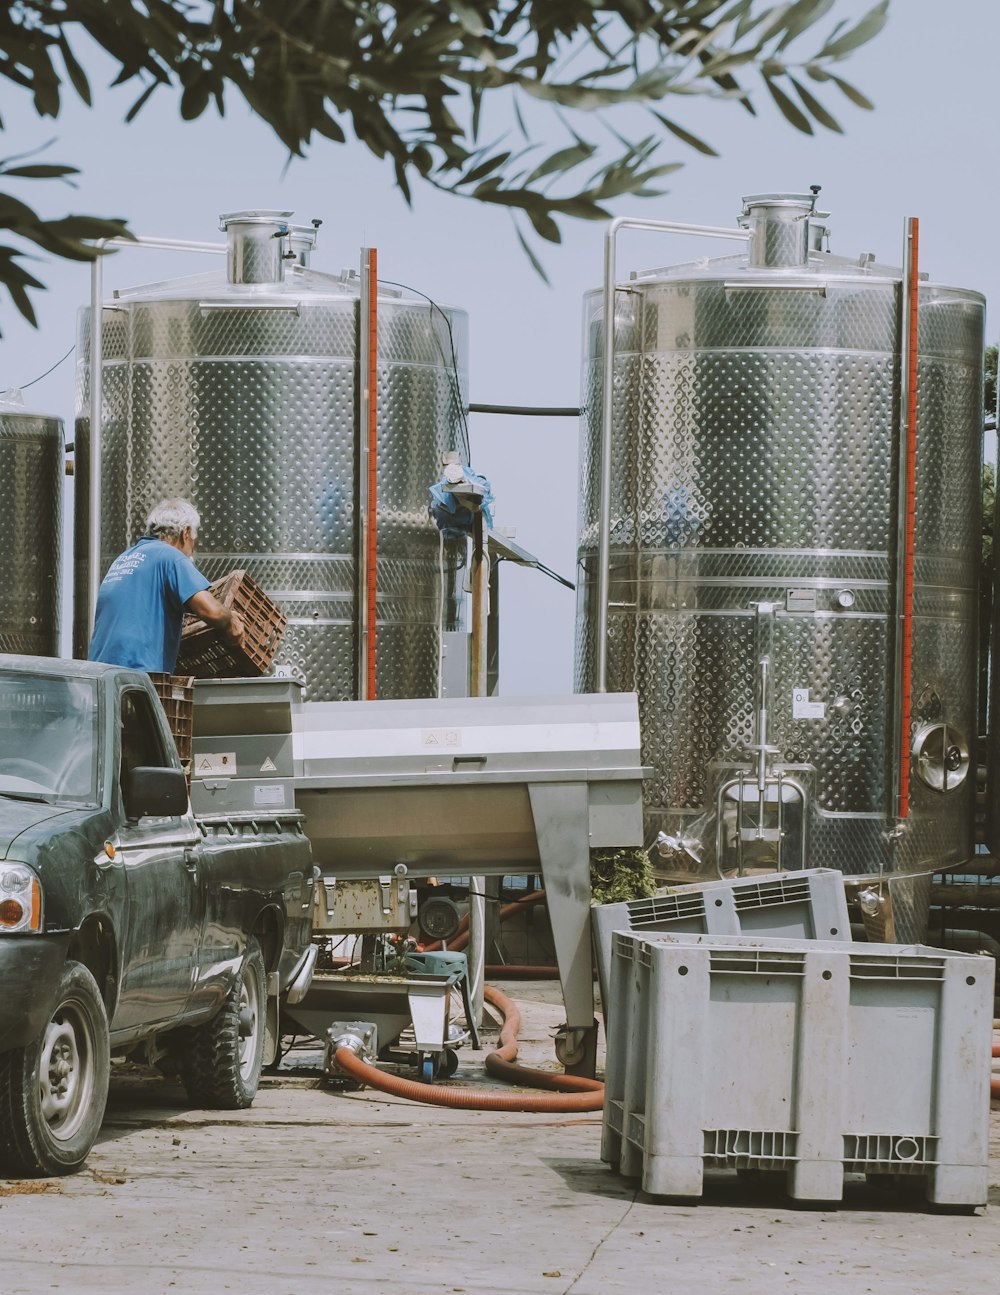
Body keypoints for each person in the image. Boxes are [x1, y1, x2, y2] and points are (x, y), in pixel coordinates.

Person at [88, 498, 244, 674]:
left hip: (99, 673)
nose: (192, 551)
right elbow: (211, 611)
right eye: (194, 543)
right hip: (137, 674)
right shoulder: (170, 556)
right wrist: (230, 620)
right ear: (185, 533)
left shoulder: (124, 558)